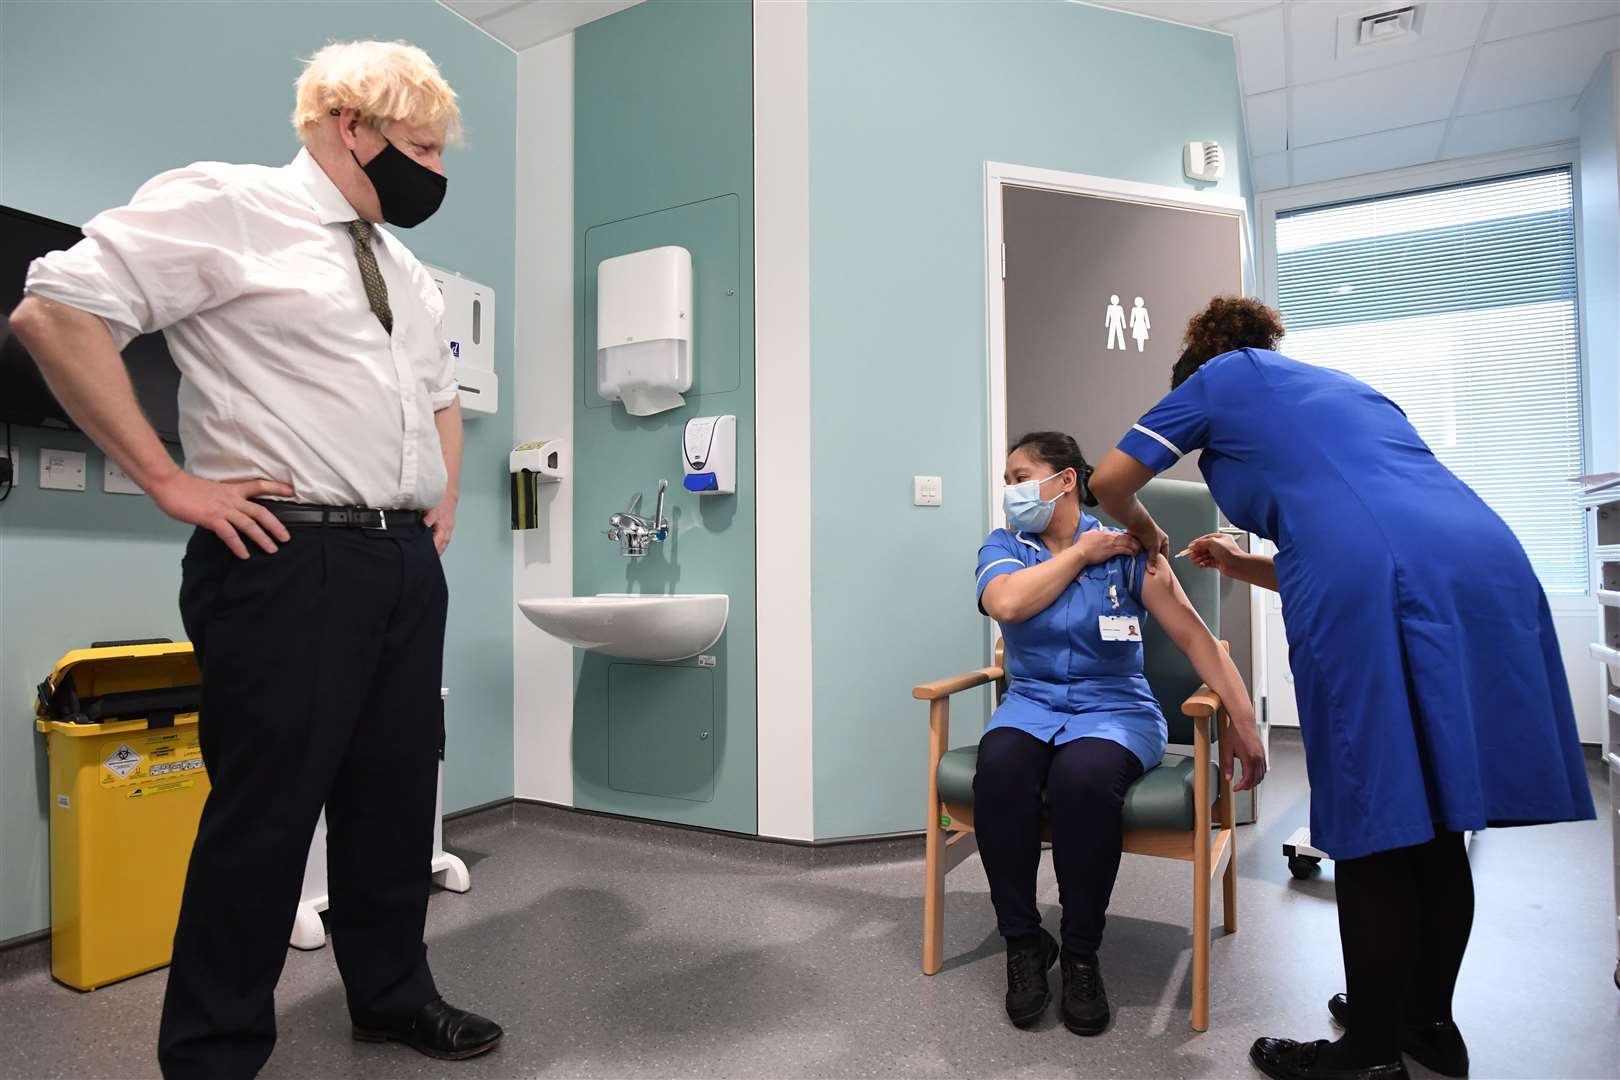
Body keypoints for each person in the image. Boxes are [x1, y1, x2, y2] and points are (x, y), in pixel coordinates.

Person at [10, 40, 503, 1078]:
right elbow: (53, 311)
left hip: (402, 566)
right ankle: (214, 1049)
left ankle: (391, 996)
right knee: (265, 818)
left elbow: (442, 397)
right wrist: (168, 480)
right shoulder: (230, 206)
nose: (438, 175)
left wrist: (442, 502)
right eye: (420, 147)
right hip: (288, 559)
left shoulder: (402, 268)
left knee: (392, 799)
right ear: (348, 125)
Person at [1089, 296, 1595, 1080]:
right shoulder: (1349, 390)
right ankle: (1424, 1025)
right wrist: (1240, 562)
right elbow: (1369, 526)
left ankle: (1365, 1058)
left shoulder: (1217, 376)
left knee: (1373, 816)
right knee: (1433, 819)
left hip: (1376, 572)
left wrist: (1148, 529)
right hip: (1481, 559)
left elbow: (1108, 481)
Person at [975, 431, 1266, 1036]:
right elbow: (1005, 604)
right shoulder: (1007, 546)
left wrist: (1244, 721)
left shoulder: (1133, 552)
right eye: (1007, 480)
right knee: (1000, 767)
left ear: (1065, 481)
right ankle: (1025, 946)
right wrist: (1081, 556)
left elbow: (1195, 638)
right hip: (1031, 705)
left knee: (1084, 778)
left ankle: (1081, 952)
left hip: (1117, 711)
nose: (1010, 491)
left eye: (1020, 475)